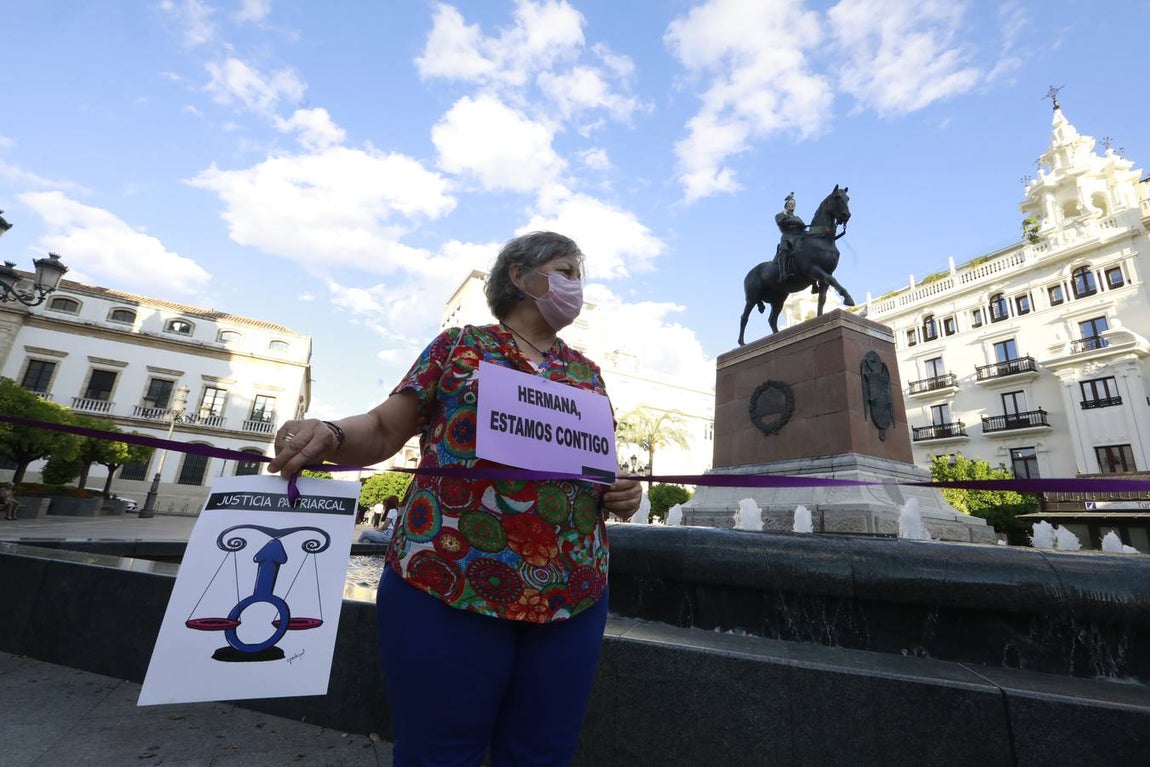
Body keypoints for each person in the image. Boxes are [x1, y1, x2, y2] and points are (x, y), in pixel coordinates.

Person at [269, 231, 642, 766]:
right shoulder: (460, 346)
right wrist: (329, 432)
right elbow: (380, 427)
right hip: (448, 577)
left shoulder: (588, 374)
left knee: (544, 753)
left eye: (578, 276)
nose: (575, 287)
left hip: (573, 592)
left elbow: (596, 475)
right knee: (440, 753)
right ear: (519, 275)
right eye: (564, 271)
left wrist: (619, 494)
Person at [773, 192, 806, 282]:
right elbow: (780, 222)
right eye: (790, 204)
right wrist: (795, 223)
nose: (792, 205)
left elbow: (803, 227)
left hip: (798, 237)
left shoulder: (798, 217)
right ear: (786, 205)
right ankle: (783, 273)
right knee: (784, 249)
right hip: (787, 236)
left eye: (793, 204)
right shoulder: (780, 215)